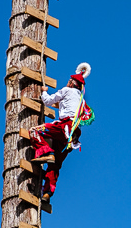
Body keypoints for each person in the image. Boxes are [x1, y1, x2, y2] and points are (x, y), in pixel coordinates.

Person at [29, 63, 95, 200]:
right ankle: (47, 193)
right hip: (72, 136)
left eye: (69, 81)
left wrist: (43, 91)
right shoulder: (81, 101)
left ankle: (46, 152)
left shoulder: (66, 90)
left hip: (64, 127)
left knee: (34, 131)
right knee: (55, 165)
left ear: (72, 83)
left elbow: (47, 101)